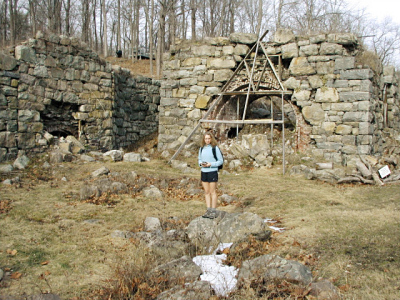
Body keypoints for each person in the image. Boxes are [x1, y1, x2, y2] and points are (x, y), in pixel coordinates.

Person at [198, 131, 223, 219]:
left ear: (211, 139)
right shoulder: (201, 148)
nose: (207, 140)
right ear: (203, 139)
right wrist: (201, 164)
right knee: (207, 192)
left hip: (212, 171)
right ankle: (208, 210)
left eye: (209, 138)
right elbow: (199, 159)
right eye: (206, 139)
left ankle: (213, 210)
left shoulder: (215, 148)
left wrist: (210, 164)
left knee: (213, 192)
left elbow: (220, 161)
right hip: (204, 172)